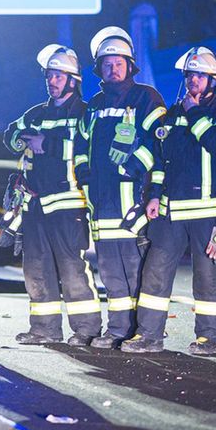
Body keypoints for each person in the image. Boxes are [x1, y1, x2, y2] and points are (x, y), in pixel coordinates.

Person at [123, 46, 216, 355]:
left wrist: (194, 112)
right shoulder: (172, 115)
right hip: (170, 210)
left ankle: (209, 337)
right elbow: (160, 160)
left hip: (207, 209)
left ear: (214, 80)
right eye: (189, 76)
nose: (192, 81)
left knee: (207, 277)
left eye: (200, 76)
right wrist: (154, 195)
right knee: (155, 272)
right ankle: (148, 335)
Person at [0, 44, 103, 346]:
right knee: (36, 270)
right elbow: (10, 134)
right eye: (49, 76)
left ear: (73, 80)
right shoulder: (37, 113)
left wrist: (49, 144)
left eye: (58, 76)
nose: (52, 81)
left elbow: (90, 149)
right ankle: (44, 329)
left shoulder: (85, 114)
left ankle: (86, 330)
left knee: (72, 269)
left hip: (69, 204)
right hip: (34, 206)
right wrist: (20, 139)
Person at [75, 26, 167, 349]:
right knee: (111, 274)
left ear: (130, 65)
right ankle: (117, 330)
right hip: (101, 205)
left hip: (133, 204)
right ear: (99, 68)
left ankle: (142, 332)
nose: (113, 69)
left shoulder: (146, 98)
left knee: (136, 270)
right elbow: (80, 146)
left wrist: (134, 167)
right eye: (107, 64)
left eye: (119, 63)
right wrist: (83, 173)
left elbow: (158, 144)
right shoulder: (94, 105)